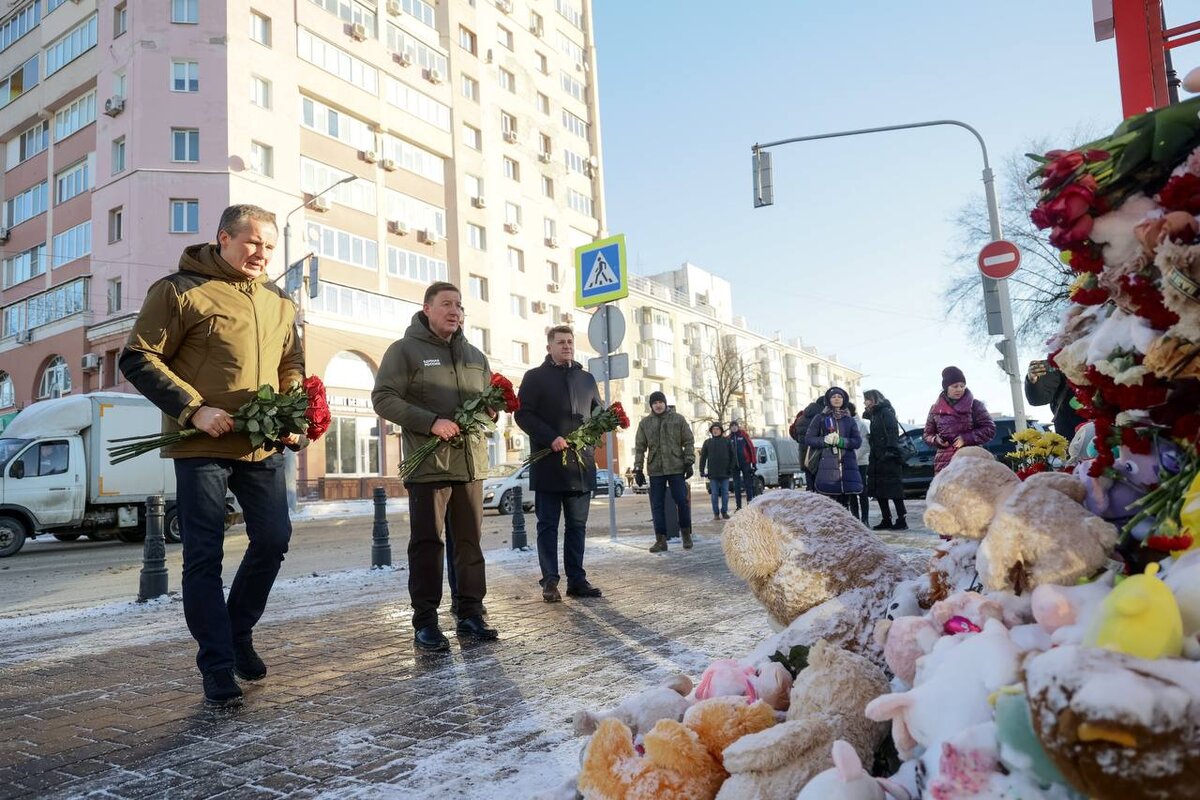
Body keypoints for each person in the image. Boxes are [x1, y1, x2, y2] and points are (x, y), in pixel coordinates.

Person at [119, 204, 306, 708]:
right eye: (251, 242)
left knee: (274, 538)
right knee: (205, 554)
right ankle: (218, 663)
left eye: (269, 245)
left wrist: (290, 411)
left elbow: (292, 360)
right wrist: (193, 409)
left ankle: (237, 630)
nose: (261, 253)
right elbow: (137, 356)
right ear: (223, 238)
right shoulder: (179, 290)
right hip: (201, 442)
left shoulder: (279, 300)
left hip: (261, 441)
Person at [372, 281, 498, 652]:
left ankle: (471, 614)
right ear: (427, 308)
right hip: (429, 465)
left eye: (459, 305)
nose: (454, 311)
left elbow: (488, 406)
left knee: (469, 544)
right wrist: (430, 422)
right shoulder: (405, 351)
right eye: (446, 304)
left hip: (471, 465)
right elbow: (383, 398)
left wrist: (492, 412)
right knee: (428, 544)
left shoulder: (475, 356)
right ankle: (425, 622)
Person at [514, 325, 604, 603]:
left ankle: (577, 580)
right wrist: (550, 437)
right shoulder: (535, 378)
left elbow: (598, 414)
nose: (566, 346)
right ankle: (550, 581)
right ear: (549, 347)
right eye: (561, 342)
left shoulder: (586, 379)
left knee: (577, 527)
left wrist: (600, 427)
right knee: (548, 526)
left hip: (580, 467)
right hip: (549, 465)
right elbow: (523, 415)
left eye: (569, 342)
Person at [633, 392, 695, 553]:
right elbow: (640, 447)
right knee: (657, 505)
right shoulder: (645, 423)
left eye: (660, 402)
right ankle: (660, 540)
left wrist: (689, 462)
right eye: (655, 403)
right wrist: (638, 469)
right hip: (656, 469)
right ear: (651, 406)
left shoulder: (678, 419)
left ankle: (686, 535)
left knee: (681, 501)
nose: (658, 405)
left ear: (665, 403)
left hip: (676, 467)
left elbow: (688, 440)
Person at [923, 366, 997, 475]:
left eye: (962, 386)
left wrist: (967, 438)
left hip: (970, 459)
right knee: (947, 491)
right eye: (955, 386)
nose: (959, 389)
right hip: (944, 462)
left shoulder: (975, 405)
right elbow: (927, 435)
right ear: (946, 387)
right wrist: (936, 440)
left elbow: (990, 429)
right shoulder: (935, 409)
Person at [804, 387, 863, 507]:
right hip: (827, 466)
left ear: (844, 400)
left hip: (847, 467)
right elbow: (809, 439)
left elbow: (857, 442)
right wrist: (825, 441)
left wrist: (842, 442)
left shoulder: (850, 420)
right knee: (829, 505)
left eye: (840, 397)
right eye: (834, 397)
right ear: (828, 399)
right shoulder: (820, 418)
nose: (837, 399)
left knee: (846, 505)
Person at [863, 389, 908, 530]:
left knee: (894, 490)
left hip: (888, 457)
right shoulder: (874, 415)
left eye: (867, 399)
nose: (865, 402)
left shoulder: (885, 412)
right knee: (879, 490)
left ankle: (902, 519)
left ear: (874, 399)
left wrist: (890, 450)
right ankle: (886, 518)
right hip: (877, 457)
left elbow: (893, 432)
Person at [1025, 358, 1084, 438]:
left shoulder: (1102, 355)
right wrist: (1034, 379)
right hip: (1072, 432)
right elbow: (1038, 398)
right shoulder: (1058, 361)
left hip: (1103, 425)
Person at [699, 422, 736, 520]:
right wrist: (701, 470)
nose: (715, 431)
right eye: (713, 429)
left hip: (725, 472)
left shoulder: (727, 441)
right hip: (713, 473)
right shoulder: (707, 442)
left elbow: (733, 456)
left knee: (725, 494)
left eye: (717, 429)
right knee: (714, 494)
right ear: (711, 431)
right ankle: (716, 513)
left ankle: (724, 512)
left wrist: (731, 468)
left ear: (721, 430)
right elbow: (703, 457)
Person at [791, 398, 824, 491]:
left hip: (804, 454)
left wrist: (801, 441)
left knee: (809, 481)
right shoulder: (822, 416)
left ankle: (811, 500)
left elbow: (793, 433)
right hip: (818, 453)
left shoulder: (801, 417)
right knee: (821, 483)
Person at [849, 402, 871, 525]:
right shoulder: (842, 423)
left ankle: (865, 519)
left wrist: (854, 457)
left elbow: (865, 445)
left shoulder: (861, 424)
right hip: (848, 463)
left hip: (861, 462)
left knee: (862, 491)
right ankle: (855, 519)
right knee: (851, 492)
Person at [728, 420, 758, 509]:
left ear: (738, 427)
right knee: (736, 486)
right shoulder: (728, 438)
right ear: (730, 428)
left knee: (748, 484)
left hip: (745, 462)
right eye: (732, 426)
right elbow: (727, 453)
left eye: (735, 426)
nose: (734, 427)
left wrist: (754, 463)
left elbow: (751, 448)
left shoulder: (743, 435)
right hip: (734, 465)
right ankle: (738, 506)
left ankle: (750, 504)